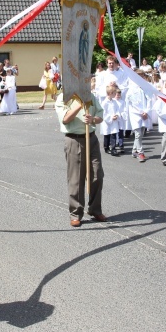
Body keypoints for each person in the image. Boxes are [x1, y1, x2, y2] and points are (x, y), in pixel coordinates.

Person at [55, 92, 107, 227]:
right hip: (74, 139)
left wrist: (93, 120)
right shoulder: (64, 97)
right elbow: (65, 119)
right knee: (76, 179)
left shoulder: (90, 95)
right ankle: (76, 213)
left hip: (91, 138)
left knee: (97, 175)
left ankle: (95, 209)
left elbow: (100, 115)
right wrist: (80, 104)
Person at [126, 80, 152, 163]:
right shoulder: (131, 89)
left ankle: (134, 150)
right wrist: (141, 112)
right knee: (138, 133)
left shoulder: (145, 88)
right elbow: (133, 103)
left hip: (145, 114)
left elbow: (150, 100)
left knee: (141, 133)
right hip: (135, 114)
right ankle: (140, 152)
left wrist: (146, 111)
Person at [100, 83, 121, 156]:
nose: (115, 94)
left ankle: (113, 148)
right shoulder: (104, 103)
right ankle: (106, 147)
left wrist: (117, 115)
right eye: (114, 93)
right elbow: (104, 113)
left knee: (113, 134)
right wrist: (110, 118)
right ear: (111, 93)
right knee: (107, 135)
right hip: (107, 121)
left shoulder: (114, 101)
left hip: (114, 121)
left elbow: (118, 109)